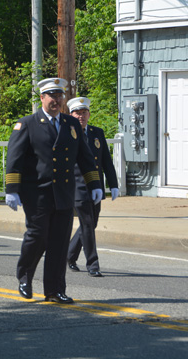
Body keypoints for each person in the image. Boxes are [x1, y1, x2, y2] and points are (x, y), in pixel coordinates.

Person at [5, 78, 103, 304]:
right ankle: (25, 277)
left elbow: (85, 157)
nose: (57, 100)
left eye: (60, 96)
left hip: (64, 194)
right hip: (37, 193)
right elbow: (14, 159)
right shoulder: (28, 124)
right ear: (42, 98)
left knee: (59, 243)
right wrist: (12, 189)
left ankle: (55, 289)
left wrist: (94, 184)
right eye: (52, 96)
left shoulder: (71, 124)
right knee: (37, 237)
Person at [66, 97, 119, 278]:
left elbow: (106, 160)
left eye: (84, 112)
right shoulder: (66, 133)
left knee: (91, 223)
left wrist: (113, 184)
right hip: (77, 185)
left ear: (89, 114)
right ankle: (93, 264)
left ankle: (70, 255)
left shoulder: (97, 133)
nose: (81, 116)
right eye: (77, 113)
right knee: (87, 223)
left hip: (95, 186)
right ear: (71, 114)